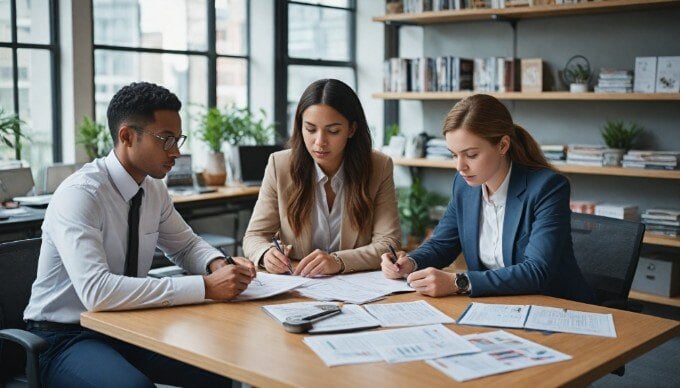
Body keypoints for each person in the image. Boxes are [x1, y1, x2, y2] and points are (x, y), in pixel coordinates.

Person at [24, 82, 256, 387]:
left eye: (178, 139)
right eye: (166, 139)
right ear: (127, 137)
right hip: (65, 336)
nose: (176, 151)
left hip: (128, 323)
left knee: (221, 368)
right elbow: (98, 292)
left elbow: (185, 245)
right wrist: (206, 287)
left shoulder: (152, 188)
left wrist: (217, 265)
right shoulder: (81, 195)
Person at [382, 94, 595, 304]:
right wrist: (409, 262)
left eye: (471, 155)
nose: (460, 167)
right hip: (495, 306)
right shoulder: (465, 186)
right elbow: (442, 244)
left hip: (555, 307)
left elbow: (536, 271)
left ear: (502, 145)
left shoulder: (547, 188)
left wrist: (459, 282)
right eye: (454, 155)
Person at [243, 79, 400, 277]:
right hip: (298, 286)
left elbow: (388, 243)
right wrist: (266, 254)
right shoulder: (279, 165)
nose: (319, 142)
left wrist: (338, 261)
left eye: (333, 131)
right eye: (310, 129)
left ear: (351, 129)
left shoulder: (379, 166)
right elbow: (254, 236)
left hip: (355, 285)